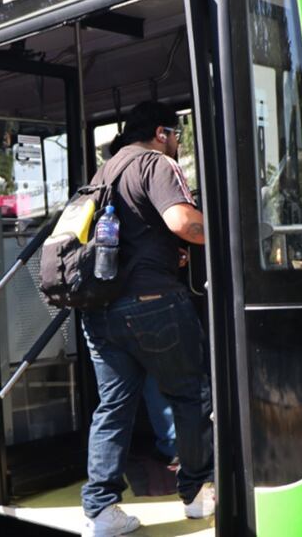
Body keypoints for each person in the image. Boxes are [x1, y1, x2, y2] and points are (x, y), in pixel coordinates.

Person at [82, 101, 215, 537]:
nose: (177, 143)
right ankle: (196, 494)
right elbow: (181, 221)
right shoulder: (155, 163)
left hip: (100, 309)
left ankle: (101, 512)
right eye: (176, 134)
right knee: (190, 394)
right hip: (154, 303)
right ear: (161, 133)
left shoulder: (103, 173)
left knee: (113, 406)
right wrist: (230, 231)